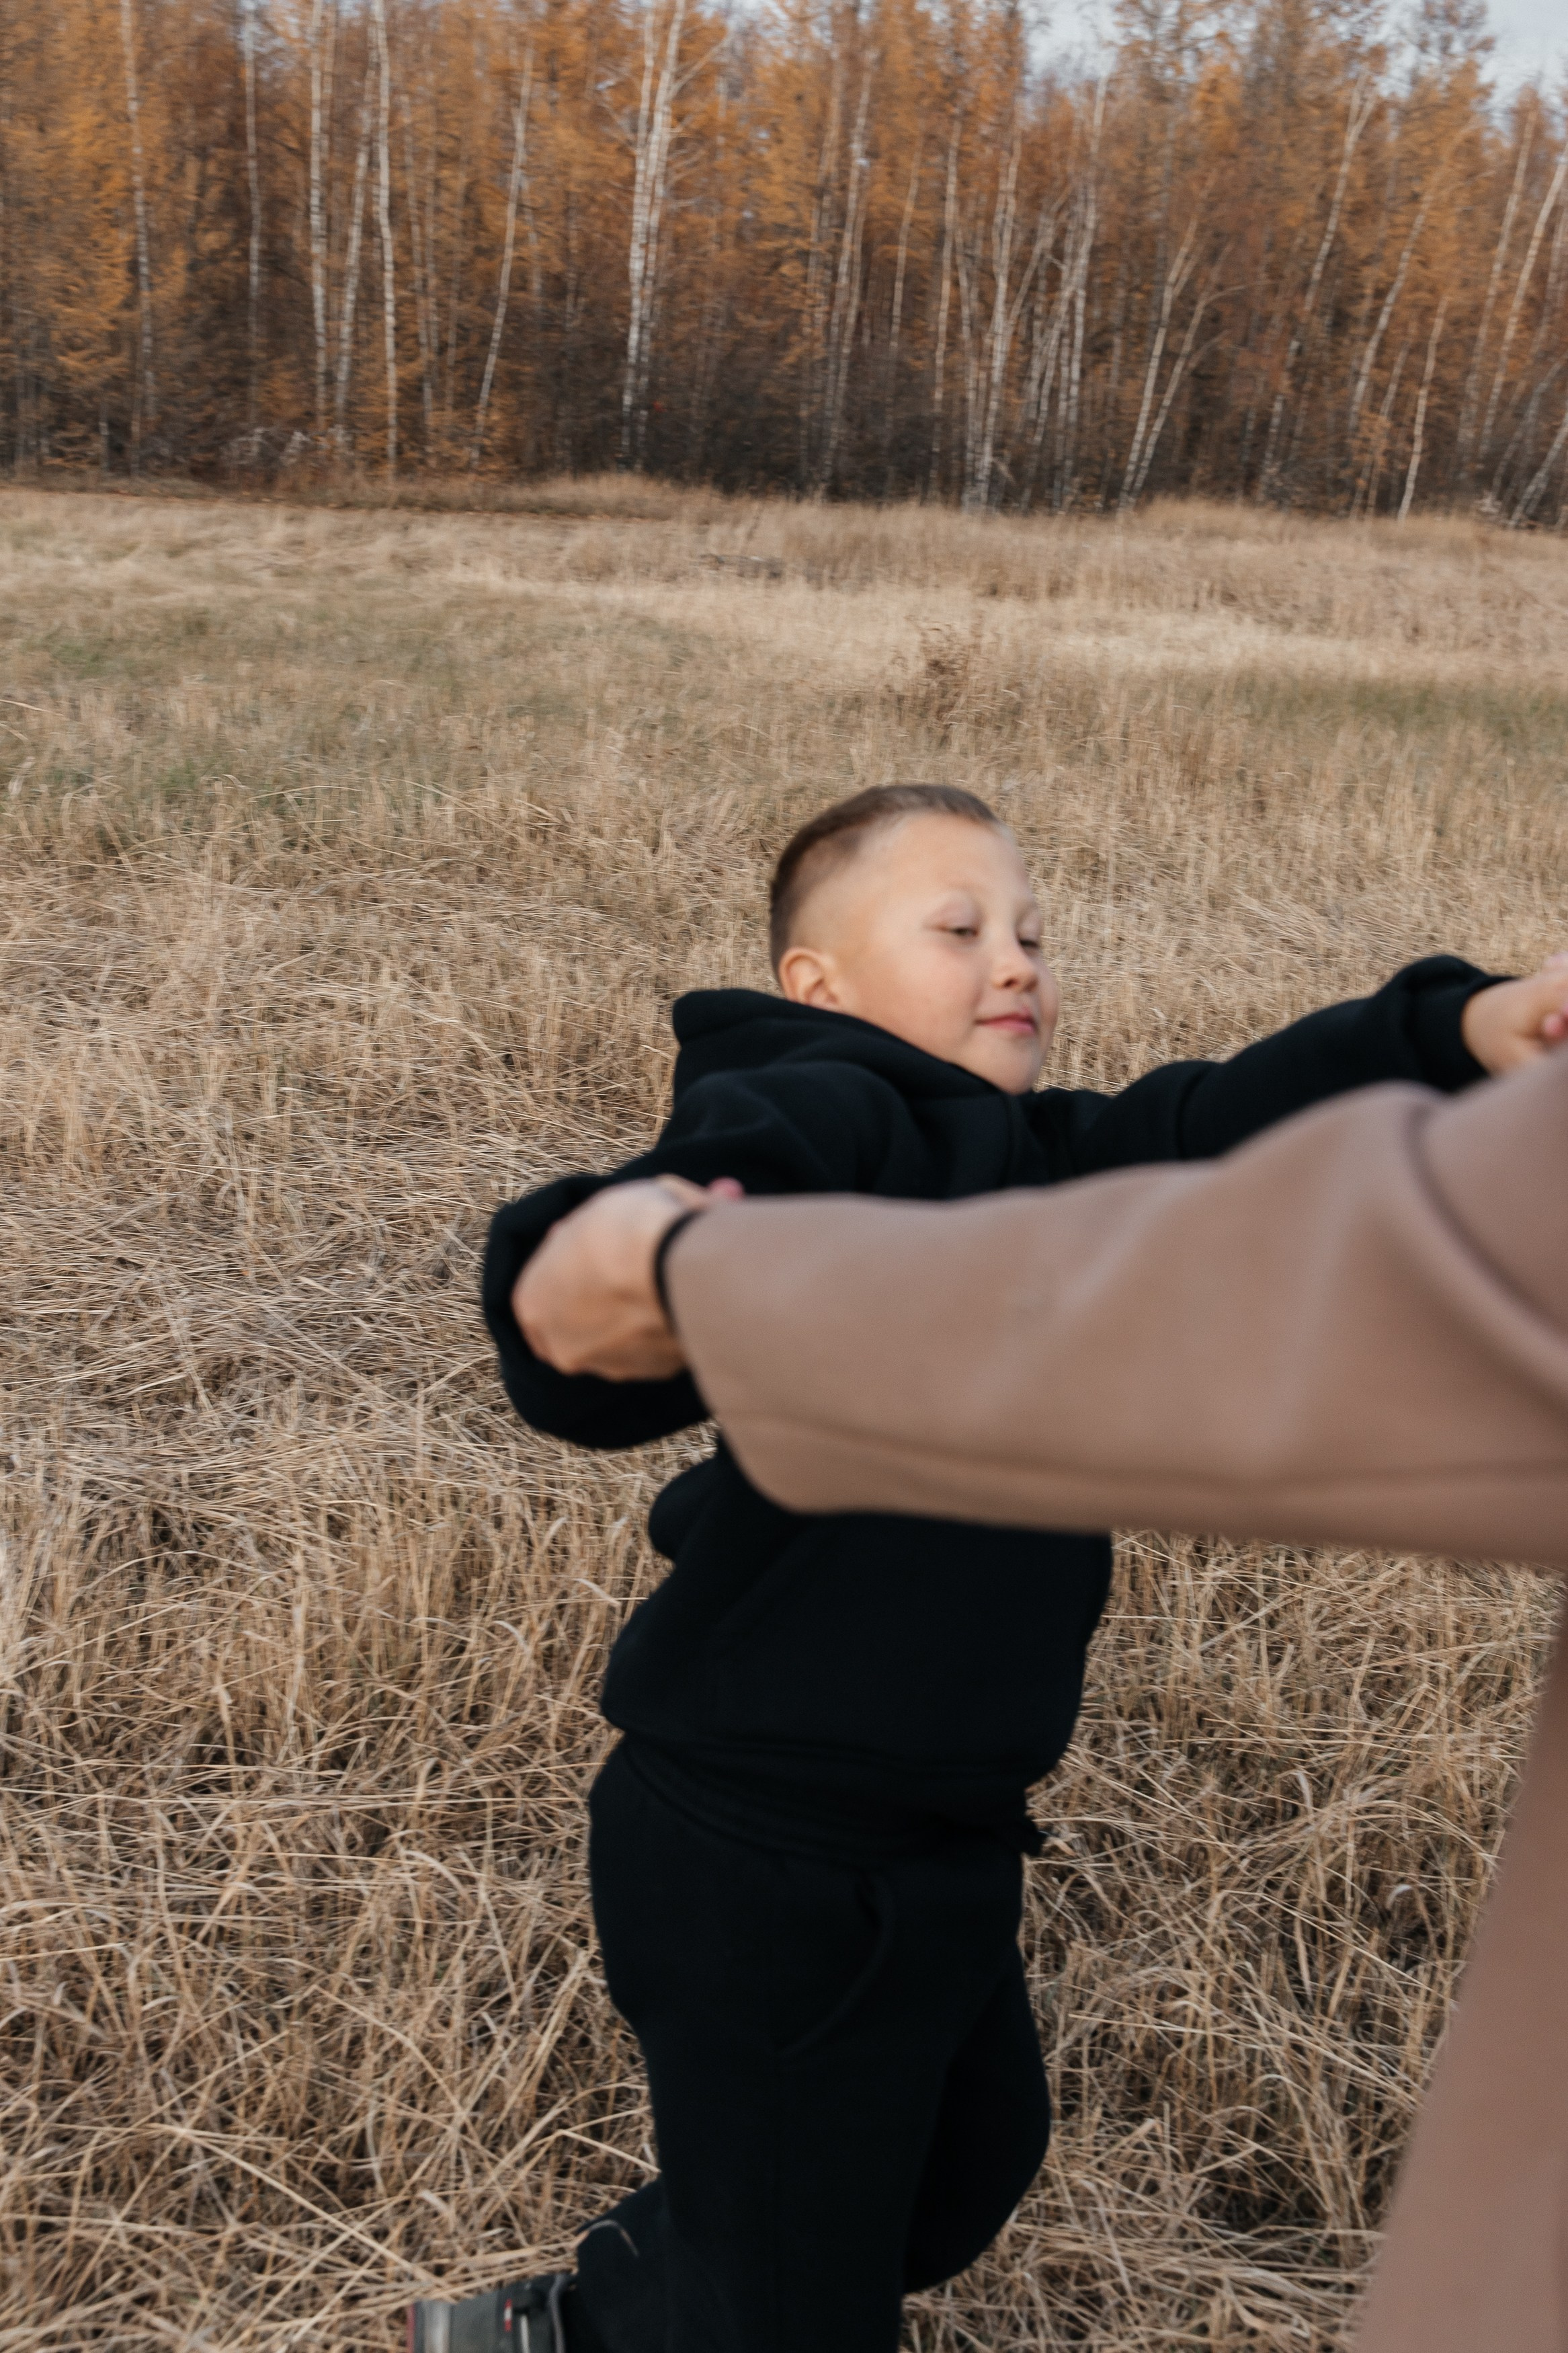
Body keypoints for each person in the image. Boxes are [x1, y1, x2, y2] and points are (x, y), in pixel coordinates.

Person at [421, 783, 1566, 2353]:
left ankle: (642, 2293)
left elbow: (1212, 1123)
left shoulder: (1031, 1158)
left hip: (945, 1834)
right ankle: (594, 2324)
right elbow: (680, 1208)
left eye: (1030, 931)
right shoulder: (829, 1106)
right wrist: (626, 1258)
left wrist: (1457, 1031)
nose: (1014, 959)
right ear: (818, 979)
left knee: (965, 2171)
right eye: (957, 929)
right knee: (795, 2309)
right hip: (762, 1838)